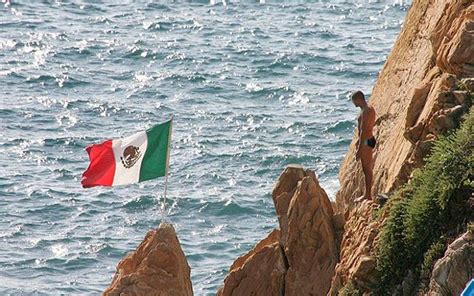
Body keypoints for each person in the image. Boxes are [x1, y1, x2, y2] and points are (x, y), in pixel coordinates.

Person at [351, 91, 376, 202]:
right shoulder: (368, 109)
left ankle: (368, 195)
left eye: (354, 101)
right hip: (369, 139)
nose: (353, 103)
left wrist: (359, 149)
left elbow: (364, 131)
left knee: (367, 169)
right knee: (366, 168)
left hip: (366, 141)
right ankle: (367, 194)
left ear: (359, 99)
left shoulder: (366, 111)